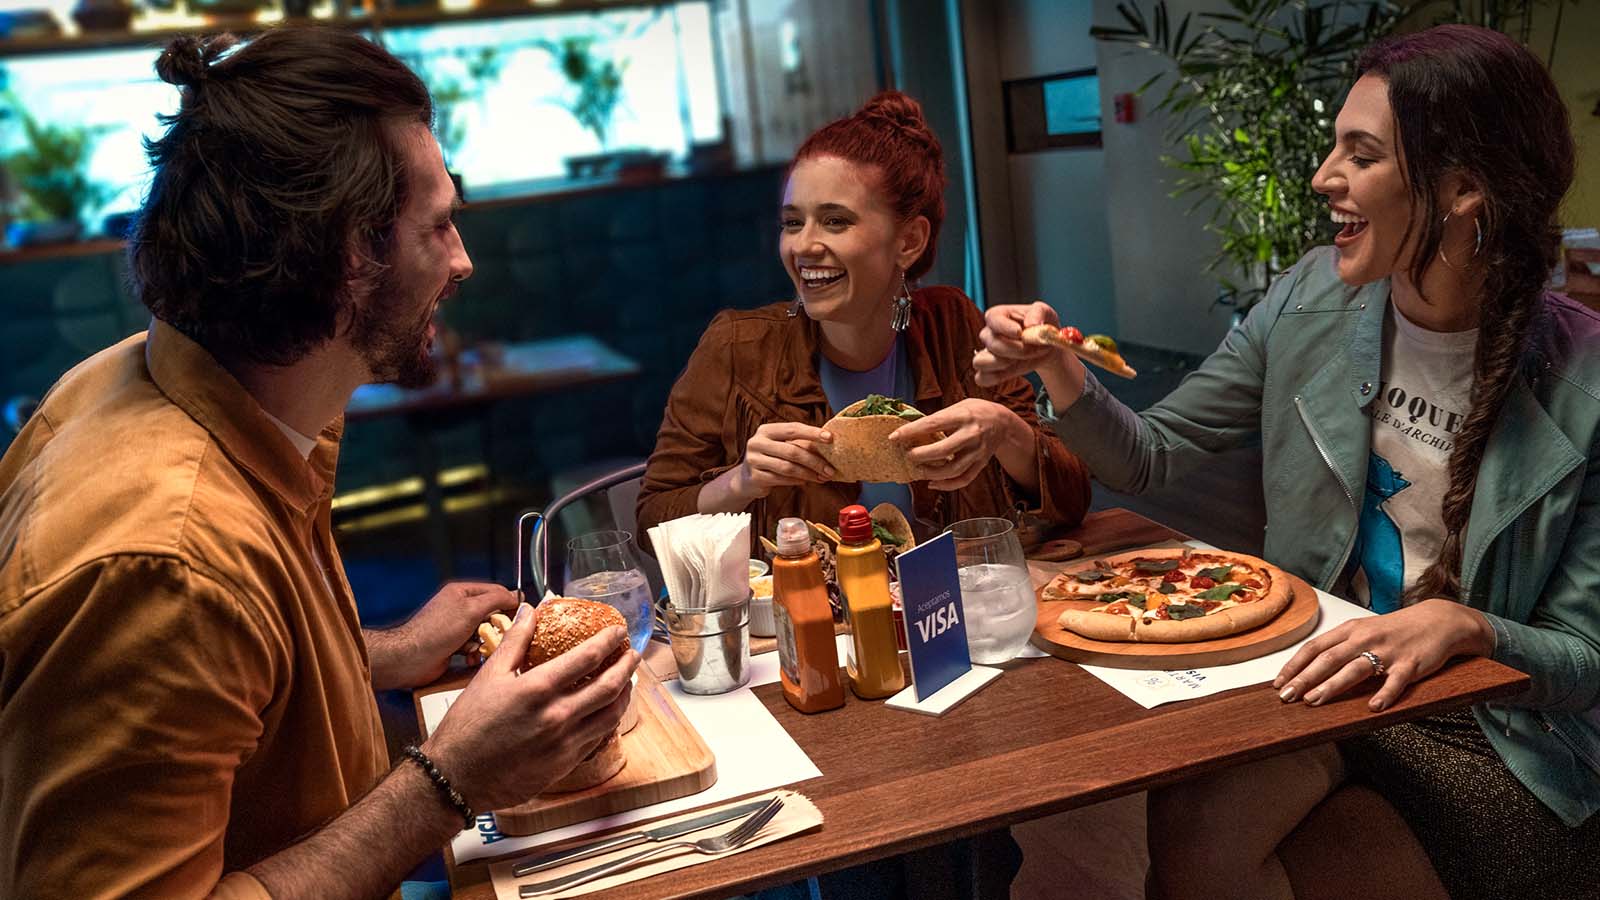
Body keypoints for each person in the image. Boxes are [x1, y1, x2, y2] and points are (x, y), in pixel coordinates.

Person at [0, 27, 636, 900]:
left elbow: (223, 686)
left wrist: (380, 652)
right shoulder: (161, 565)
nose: (463, 261)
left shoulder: (169, 382)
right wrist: (451, 780)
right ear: (350, 254)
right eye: (439, 226)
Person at [975, 24, 1598, 900]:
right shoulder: (1310, 297)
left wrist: (1471, 627)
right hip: (1323, 681)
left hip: (1496, 734)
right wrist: (1057, 367)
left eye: (1362, 153)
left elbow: (1587, 659)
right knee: (1179, 848)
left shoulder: (1587, 379)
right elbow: (1150, 456)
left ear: (1461, 189)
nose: (1323, 177)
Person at [637, 91, 1090, 548]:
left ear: (909, 241)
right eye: (793, 223)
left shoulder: (954, 325)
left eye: (835, 221)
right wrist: (741, 481)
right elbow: (651, 522)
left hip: (951, 610)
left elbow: (1072, 499)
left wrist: (1004, 430)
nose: (803, 246)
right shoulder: (737, 347)